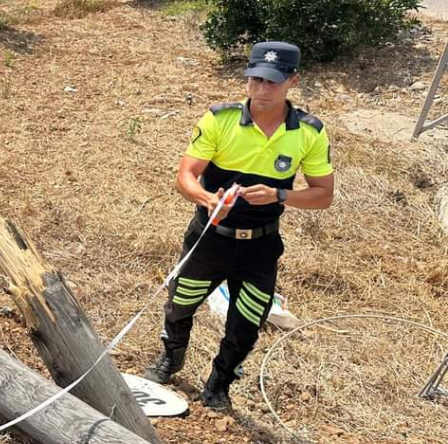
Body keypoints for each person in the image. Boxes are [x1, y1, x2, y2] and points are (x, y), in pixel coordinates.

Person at [142, 41, 335, 410]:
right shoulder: (220, 119)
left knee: (246, 324)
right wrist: (207, 199)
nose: (262, 90)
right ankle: (171, 357)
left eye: (273, 82)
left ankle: (219, 384)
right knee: (180, 303)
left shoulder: (309, 132)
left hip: (260, 248)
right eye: (256, 79)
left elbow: (323, 195)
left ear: (293, 81)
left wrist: (281, 196)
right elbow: (186, 175)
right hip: (210, 238)